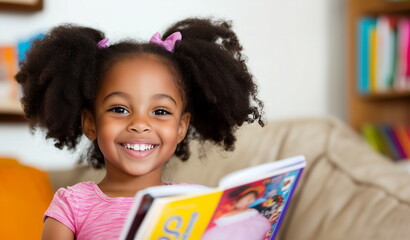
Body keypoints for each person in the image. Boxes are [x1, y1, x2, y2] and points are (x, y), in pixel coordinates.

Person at [15, 18, 264, 240]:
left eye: (160, 112)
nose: (140, 124)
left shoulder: (200, 203)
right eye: (119, 109)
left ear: (180, 127)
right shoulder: (72, 205)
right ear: (90, 123)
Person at [202, 185, 271, 240]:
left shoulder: (250, 212)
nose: (251, 202)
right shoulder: (224, 212)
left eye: (253, 199)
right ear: (236, 201)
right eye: (248, 199)